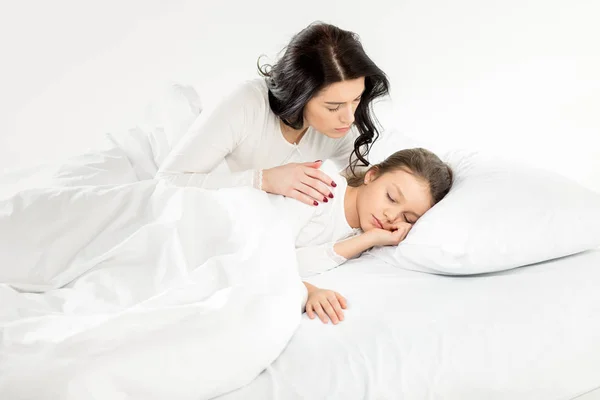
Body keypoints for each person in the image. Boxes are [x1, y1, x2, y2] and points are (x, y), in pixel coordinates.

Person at [157, 21, 390, 206]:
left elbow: (365, 186)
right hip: (187, 161)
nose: (349, 118)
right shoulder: (246, 104)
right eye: (333, 107)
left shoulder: (340, 126)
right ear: (300, 95)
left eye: (356, 99)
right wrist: (264, 179)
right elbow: (167, 181)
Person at [273, 148, 453, 324]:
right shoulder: (320, 186)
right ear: (372, 175)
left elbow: (297, 264)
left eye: (407, 218)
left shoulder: (367, 240)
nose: (391, 216)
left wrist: (370, 239)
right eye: (391, 197)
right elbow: (274, 259)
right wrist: (309, 290)